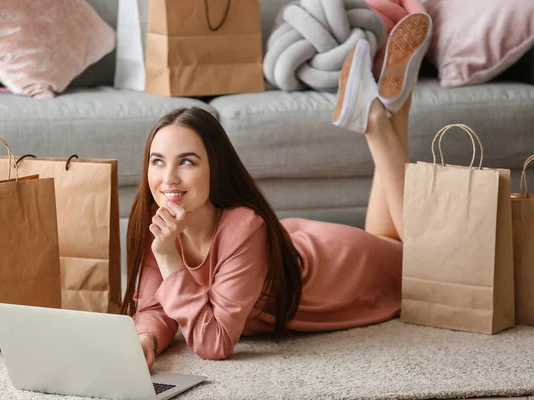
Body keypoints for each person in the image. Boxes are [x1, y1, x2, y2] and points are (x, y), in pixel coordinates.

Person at [121, 13, 433, 369]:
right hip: (302, 243)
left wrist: (168, 259)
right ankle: (396, 109)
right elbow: (154, 307)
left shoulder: (243, 227)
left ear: (215, 168)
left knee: (426, 268)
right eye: (157, 161)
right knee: (389, 238)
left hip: (339, 270)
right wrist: (145, 340)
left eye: (187, 162)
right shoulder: (159, 225)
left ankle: (376, 123)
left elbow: (214, 343)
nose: (168, 178)